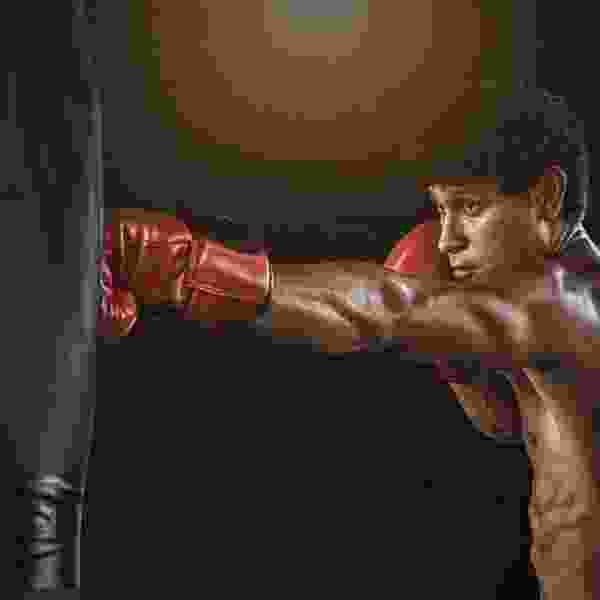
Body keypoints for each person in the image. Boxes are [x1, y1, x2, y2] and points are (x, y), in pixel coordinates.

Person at [98, 85, 598, 599]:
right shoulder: (549, 322)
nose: (448, 240)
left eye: (472, 207)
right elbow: (506, 425)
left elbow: (386, 306)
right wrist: (457, 359)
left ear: (546, 197)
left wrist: (185, 266)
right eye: (442, 211)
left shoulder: (559, 304)